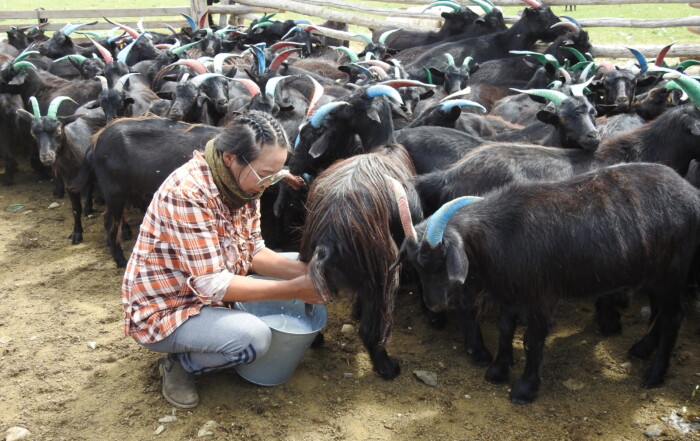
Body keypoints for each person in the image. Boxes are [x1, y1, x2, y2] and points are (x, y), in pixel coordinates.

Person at [122, 111, 325, 409]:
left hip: (207, 294)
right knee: (252, 338)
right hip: (167, 308)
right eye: (264, 174)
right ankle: (181, 365)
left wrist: (310, 274)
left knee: (300, 262)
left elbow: (253, 250)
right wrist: (295, 288)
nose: (269, 184)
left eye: (275, 175)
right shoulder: (188, 193)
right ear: (231, 158)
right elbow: (212, 283)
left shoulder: (244, 189)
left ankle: (213, 335)